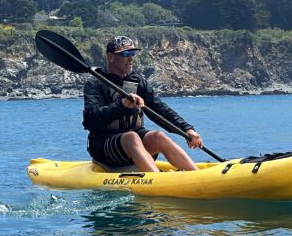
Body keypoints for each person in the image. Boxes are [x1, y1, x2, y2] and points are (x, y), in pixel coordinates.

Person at [83, 35, 204, 172]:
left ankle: (196, 174)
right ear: (110, 58)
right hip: (103, 145)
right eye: (125, 54)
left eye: (132, 53)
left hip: (135, 145)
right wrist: (121, 105)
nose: (131, 58)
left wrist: (187, 129)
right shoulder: (95, 84)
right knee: (131, 137)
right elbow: (90, 120)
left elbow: (160, 110)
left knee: (158, 136)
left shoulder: (138, 82)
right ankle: (158, 180)